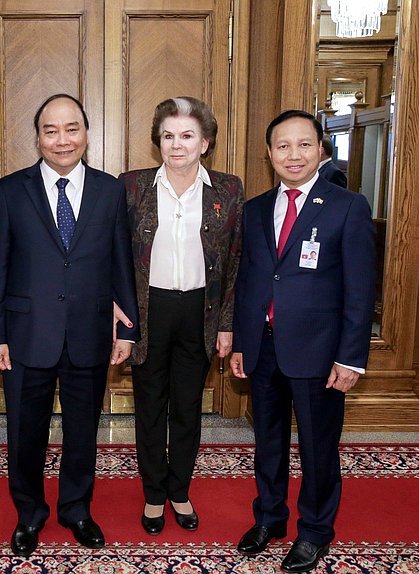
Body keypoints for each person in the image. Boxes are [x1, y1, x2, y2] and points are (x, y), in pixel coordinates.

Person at [0, 94, 139, 557]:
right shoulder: (10, 191)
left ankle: (76, 509)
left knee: (82, 430)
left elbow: (121, 264)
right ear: (38, 137)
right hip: (26, 334)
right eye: (51, 131)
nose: (62, 139)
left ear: (86, 134)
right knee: (23, 432)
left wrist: (127, 328)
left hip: (88, 333)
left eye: (71, 129)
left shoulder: (111, 191)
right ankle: (28, 514)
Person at [230, 110, 375, 573]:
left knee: (317, 446)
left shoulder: (347, 206)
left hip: (320, 352)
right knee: (267, 442)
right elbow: (248, 281)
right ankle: (270, 518)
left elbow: (360, 289)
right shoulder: (254, 209)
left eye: (304, 145)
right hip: (264, 347)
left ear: (321, 150)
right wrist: (240, 342)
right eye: (283, 146)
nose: (293, 155)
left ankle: (314, 531)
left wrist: (351, 357)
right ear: (269, 153)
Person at [118, 97, 243, 535]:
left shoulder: (228, 190)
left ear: (205, 142)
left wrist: (228, 323)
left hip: (200, 312)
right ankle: (154, 493)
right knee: (150, 406)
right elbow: (118, 259)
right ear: (158, 141)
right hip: (148, 311)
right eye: (168, 136)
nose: (177, 145)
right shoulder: (133, 186)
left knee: (188, 407)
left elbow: (234, 263)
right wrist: (122, 322)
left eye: (187, 136)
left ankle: (179, 490)